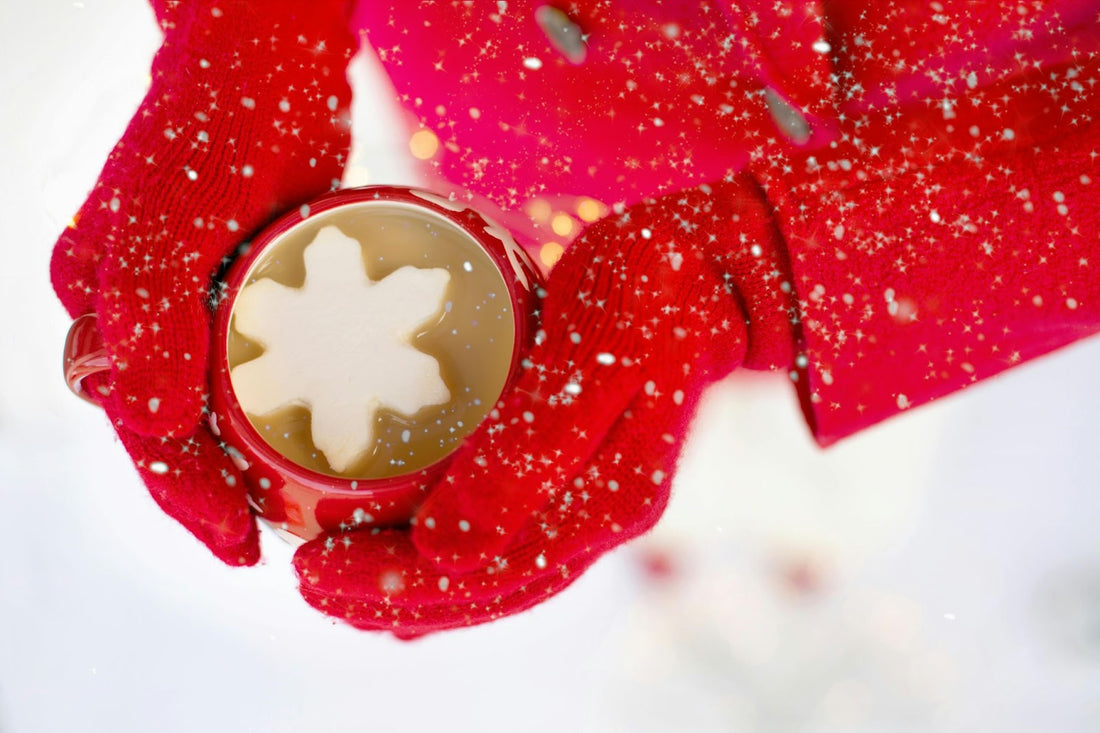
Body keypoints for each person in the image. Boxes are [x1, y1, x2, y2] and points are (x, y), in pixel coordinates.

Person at [51, 0, 1100, 636]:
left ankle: (816, 534)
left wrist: (773, 267)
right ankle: (700, 522)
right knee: (561, 373)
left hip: (920, 179)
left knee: (828, 396)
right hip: (517, 93)